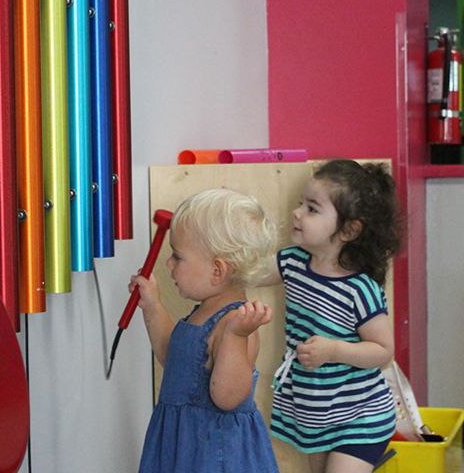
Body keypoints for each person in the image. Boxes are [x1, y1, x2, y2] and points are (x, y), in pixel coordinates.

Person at [260, 159, 401, 473]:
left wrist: (334, 350)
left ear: (349, 230)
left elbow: (382, 351)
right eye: (300, 204)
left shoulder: (359, 288)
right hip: (317, 413)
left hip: (361, 417)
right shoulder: (293, 262)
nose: (297, 213)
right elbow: (250, 273)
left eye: (312, 208)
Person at [130, 188, 280, 473]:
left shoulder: (236, 323)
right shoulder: (202, 312)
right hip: (184, 445)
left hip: (216, 453)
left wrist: (236, 337)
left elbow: (227, 398)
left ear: (217, 271)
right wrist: (153, 306)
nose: (168, 264)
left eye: (178, 256)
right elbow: (174, 358)